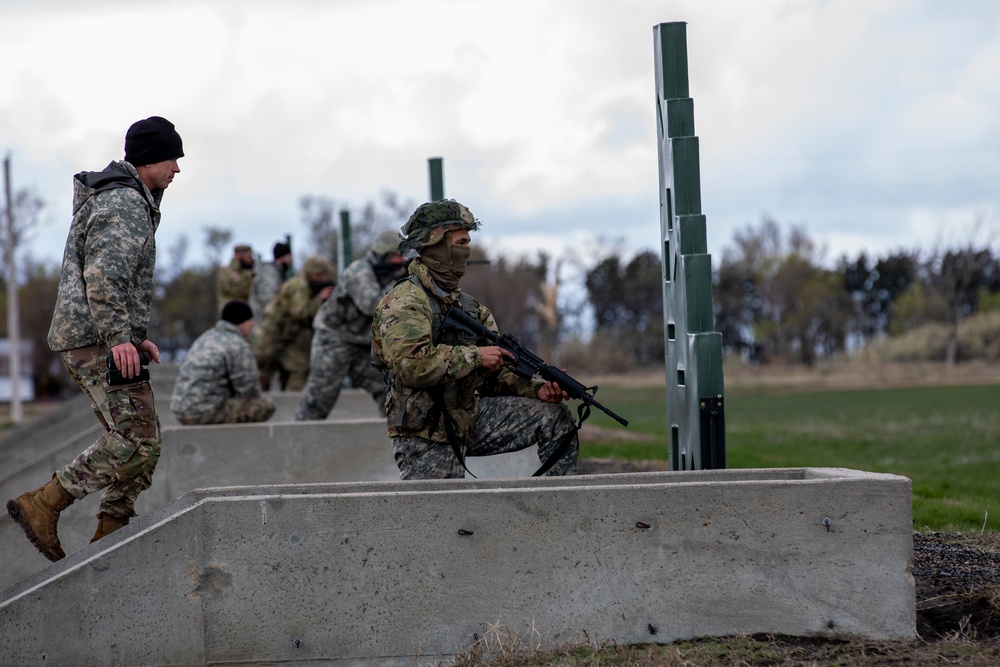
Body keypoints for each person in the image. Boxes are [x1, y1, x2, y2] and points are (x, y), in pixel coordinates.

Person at [6, 116, 183, 561]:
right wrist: (119, 336)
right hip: (94, 340)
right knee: (137, 439)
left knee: (144, 439)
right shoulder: (124, 203)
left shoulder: (131, 200)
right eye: (171, 159)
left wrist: (133, 338)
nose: (177, 169)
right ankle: (43, 503)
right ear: (146, 160)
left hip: (99, 336)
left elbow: (114, 281)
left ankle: (112, 532)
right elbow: (103, 277)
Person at [371, 199, 579, 480]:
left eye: (468, 242)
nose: (467, 250)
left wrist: (536, 389)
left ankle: (560, 510)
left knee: (556, 418)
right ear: (437, 244)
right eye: (460, 242)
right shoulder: (404, 302)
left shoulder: (470, 308)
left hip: (467, 415)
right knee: (443, 517)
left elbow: (493, 375)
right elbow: (411, 366)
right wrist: (475, 356)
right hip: (425, 430)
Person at [295, 231, 408, 421]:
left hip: (362, 343)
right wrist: (399, 281)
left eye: (401, 257)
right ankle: (296, 443)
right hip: (334, 339)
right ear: (382, 255)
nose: (399, 261)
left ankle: (397, 436)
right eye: (395, 256)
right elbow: (373, 305)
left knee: (392, 389)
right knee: (319, 400)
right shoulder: (359, 272)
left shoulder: (391, 273)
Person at [170, 300, 276, 425]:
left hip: (180, 411)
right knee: (263, 406)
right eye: (249, 320)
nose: (252, 324)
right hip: (204, 412)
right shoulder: (237, 344)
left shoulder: (205, 337)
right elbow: (249, 390)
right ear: (240, 321)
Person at [252, 256, 335, 391]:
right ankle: (259, 404)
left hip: (286, 338)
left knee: (300, 368)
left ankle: (290, 401)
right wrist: (319, 299)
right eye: (321, 275)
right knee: (263, 373)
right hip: (270, 335)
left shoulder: (306, 286)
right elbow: (299, 313)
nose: (324, 279)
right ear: (312, 274)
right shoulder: (299, 286)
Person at [248, 240, 293, 319]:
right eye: (289, 256)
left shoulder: (276, 273)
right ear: (284, 256)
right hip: (263, 323)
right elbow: (268, 300)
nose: (291, 260)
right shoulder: (269, 274)